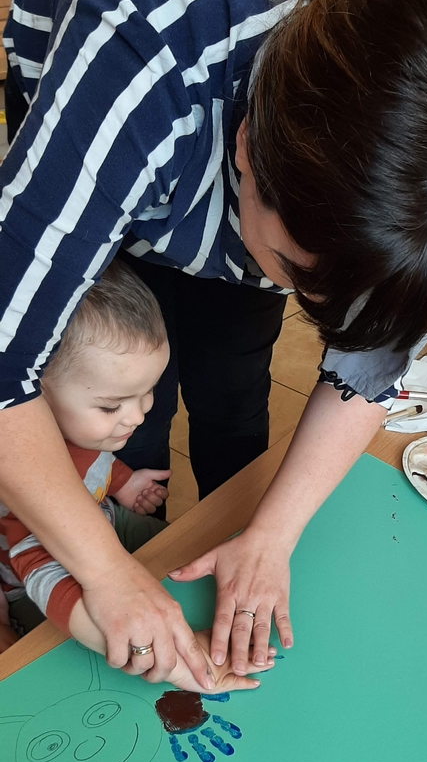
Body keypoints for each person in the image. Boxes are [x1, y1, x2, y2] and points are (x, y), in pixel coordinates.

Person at [1, 0, 427, 685]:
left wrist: (272, 534)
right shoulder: (139, 52)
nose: (330, 323)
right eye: (300, 278)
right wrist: (106, 572)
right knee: (115, 380)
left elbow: (368, 369)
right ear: (245, 150)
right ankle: (133, 526)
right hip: (113, 103)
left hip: (226, 176)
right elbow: (5, 365)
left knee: (231, 377)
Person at [0, 259, 271, 690]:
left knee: (193, 555)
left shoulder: (83, 427)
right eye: (112, 406)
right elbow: (46, 575)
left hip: (106, 518)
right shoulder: (24, 486)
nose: (138, 415)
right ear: (33, 390)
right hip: (33, 584)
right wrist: (172, 659)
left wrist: (124, 482)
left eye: (149, 391)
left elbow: (92, 460)